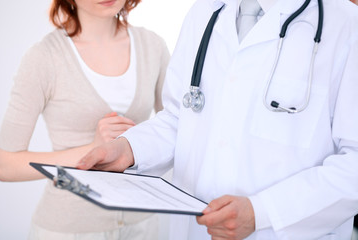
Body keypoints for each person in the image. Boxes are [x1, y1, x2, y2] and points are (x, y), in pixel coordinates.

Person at [77, 0, 358, 239]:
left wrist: (262, 212)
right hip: (194, 229)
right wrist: (128, 149)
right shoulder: (206, 12)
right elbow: (180, 118)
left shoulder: (345, 25)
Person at [0, 0, 170, 239]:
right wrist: (92, 150)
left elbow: (175, 131)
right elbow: (4, 165)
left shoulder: (153, 46)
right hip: (70, 228)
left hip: (143, 223)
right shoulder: (44, 57)